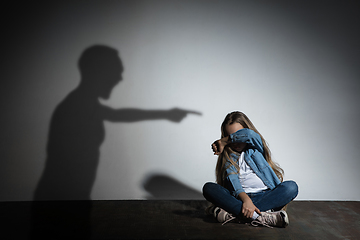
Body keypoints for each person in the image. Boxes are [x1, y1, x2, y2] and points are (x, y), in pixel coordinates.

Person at [202, 111, 298, 228]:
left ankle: (236, 214)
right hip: (240, 199)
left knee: (291, 187)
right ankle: (261, 217)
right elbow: (235, 183)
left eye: (237, 136)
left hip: (265, 196)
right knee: (209, 188)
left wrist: (225, 140)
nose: (235, 142)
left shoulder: (256, 147)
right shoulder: (229, 157)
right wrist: (246, 201)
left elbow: (250, 134)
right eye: (230, 136)